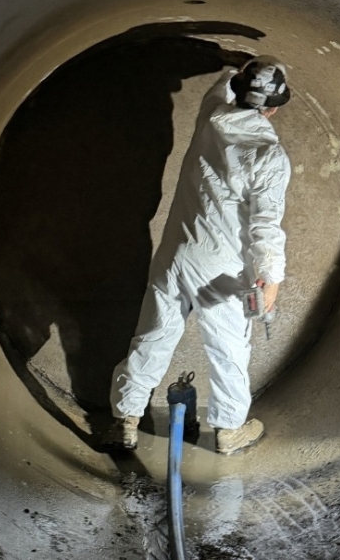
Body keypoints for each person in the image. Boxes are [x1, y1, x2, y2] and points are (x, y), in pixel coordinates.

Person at [105, 56, 292, 455]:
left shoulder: (211, 117)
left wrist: (235, 70)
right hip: (220, 268)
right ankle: (228, 430)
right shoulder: (270, 157)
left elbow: (221, 88)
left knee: (153, 336)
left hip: (175, 255)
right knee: (228, 349)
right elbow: (265, 225)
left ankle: (125, 420)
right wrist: (271, 277)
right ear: (274, 108)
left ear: (239, 91)